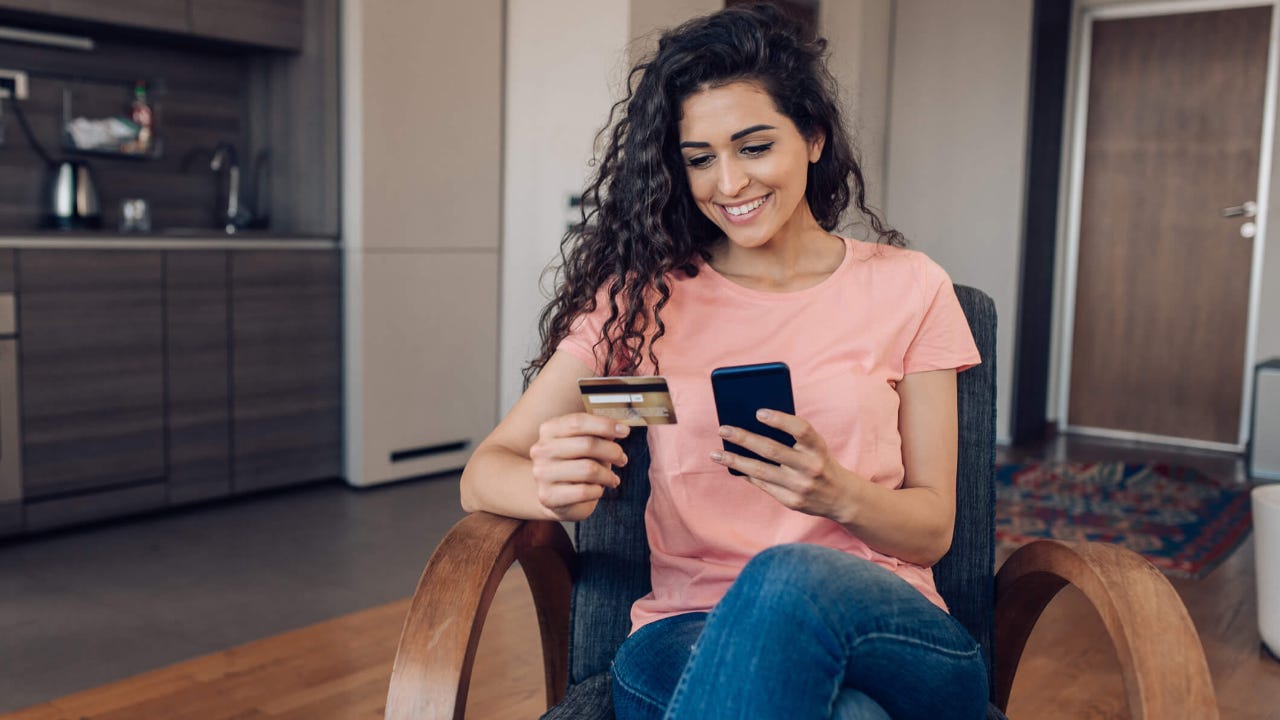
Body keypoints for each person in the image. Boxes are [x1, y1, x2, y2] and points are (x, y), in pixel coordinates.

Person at [460, 4, 988, 719]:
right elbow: (484, 472)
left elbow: (933, 529)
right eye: (700, 159)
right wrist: (550, 492)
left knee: (788, 578)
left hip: (889, 626)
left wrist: (836, 493)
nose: (729, 184)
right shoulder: (642, 302)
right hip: (685, 633)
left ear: (812, 136)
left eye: (754, 146)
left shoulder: (909, 287)